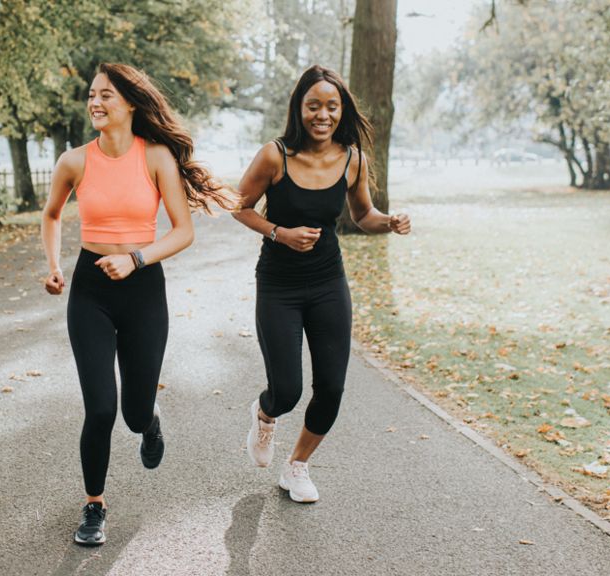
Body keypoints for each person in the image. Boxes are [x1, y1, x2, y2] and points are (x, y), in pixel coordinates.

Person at [41, 63, 231, 546]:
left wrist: (136, 259)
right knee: (101, 408)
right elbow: (51, 214)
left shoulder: (157, 157)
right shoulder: (75, 161)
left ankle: (149, 421)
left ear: (129, 102)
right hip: (90, 291)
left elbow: (183, 231)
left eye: (105, 95)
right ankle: (94, 506)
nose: (95, 103)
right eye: (91, 95)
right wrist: (54, 265)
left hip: (143, 289)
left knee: (132, 412)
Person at [233, 65, 411, 503]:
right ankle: (265, 412)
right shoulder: (275, 155)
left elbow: (363, 215)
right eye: (314, 105)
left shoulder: (352, 158)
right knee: (288, 390)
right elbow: (239, 206)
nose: (323, 114)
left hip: (329, 282)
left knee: (331, 386)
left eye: (332, 106)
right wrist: (280, 232)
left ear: (341, 110)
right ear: (299, 108)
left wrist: (388, 222)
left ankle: (297, 467)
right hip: (279, 285)